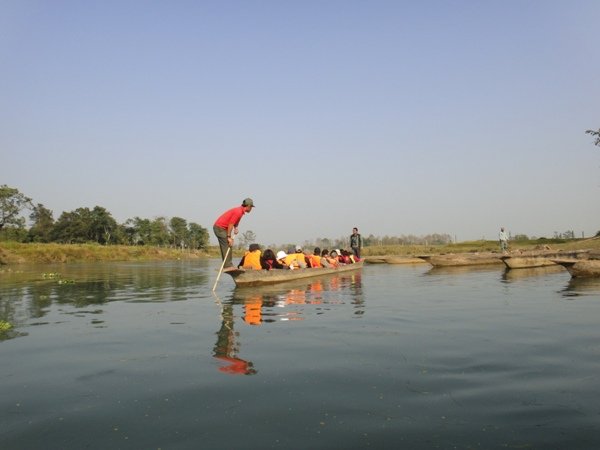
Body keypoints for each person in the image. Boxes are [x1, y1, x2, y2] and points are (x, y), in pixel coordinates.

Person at [213, 198, 255, 271]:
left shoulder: (241, 212)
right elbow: (230, 224)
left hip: (223, 229)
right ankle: (228, 266)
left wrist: (236, 228)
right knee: (227, 243)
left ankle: (228, 265)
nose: (251, 209)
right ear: (248, 206)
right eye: (251, 207)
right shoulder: (238, 212)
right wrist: (229, 237)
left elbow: (235, 222)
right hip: (219, 228)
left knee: (229, 244)